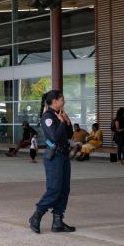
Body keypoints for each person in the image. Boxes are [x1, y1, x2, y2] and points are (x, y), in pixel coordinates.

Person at [29, 89, 75, 234]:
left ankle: (57, 221)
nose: (64, 101)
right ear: (55, 101)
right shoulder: (47, 117)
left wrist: (67, 122)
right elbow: (55, 137)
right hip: (54, 156)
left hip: (64, 155)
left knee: (64, 189)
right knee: (54, 188)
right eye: (62, 99)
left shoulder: (59, 115)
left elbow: (69, 135)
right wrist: (61, 123)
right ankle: (37, 216)